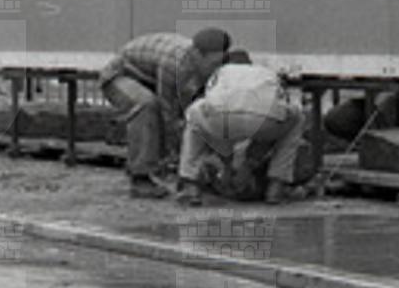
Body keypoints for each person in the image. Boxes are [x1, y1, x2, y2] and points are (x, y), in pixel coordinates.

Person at [99, 28, 230, 198]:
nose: (215, 70)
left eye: (219, 64)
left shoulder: (205, 65)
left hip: (148, 76)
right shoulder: (173, 64)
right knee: (146, 104)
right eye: (212, 65)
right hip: (119, 75)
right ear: (197, 55)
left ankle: (169, 166)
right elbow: (168, 113)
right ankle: (140, 178)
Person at [177, 50, 307, 205]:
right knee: (296, 119)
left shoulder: (221, 73)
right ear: (250, 63)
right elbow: (280, 104)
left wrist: (227, 166)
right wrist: (249, 163)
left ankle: (190, 185)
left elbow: (213, 107)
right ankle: (276, 188)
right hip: (265, 118)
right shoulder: (264, 72)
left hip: (222, 117)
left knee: (193, 115)